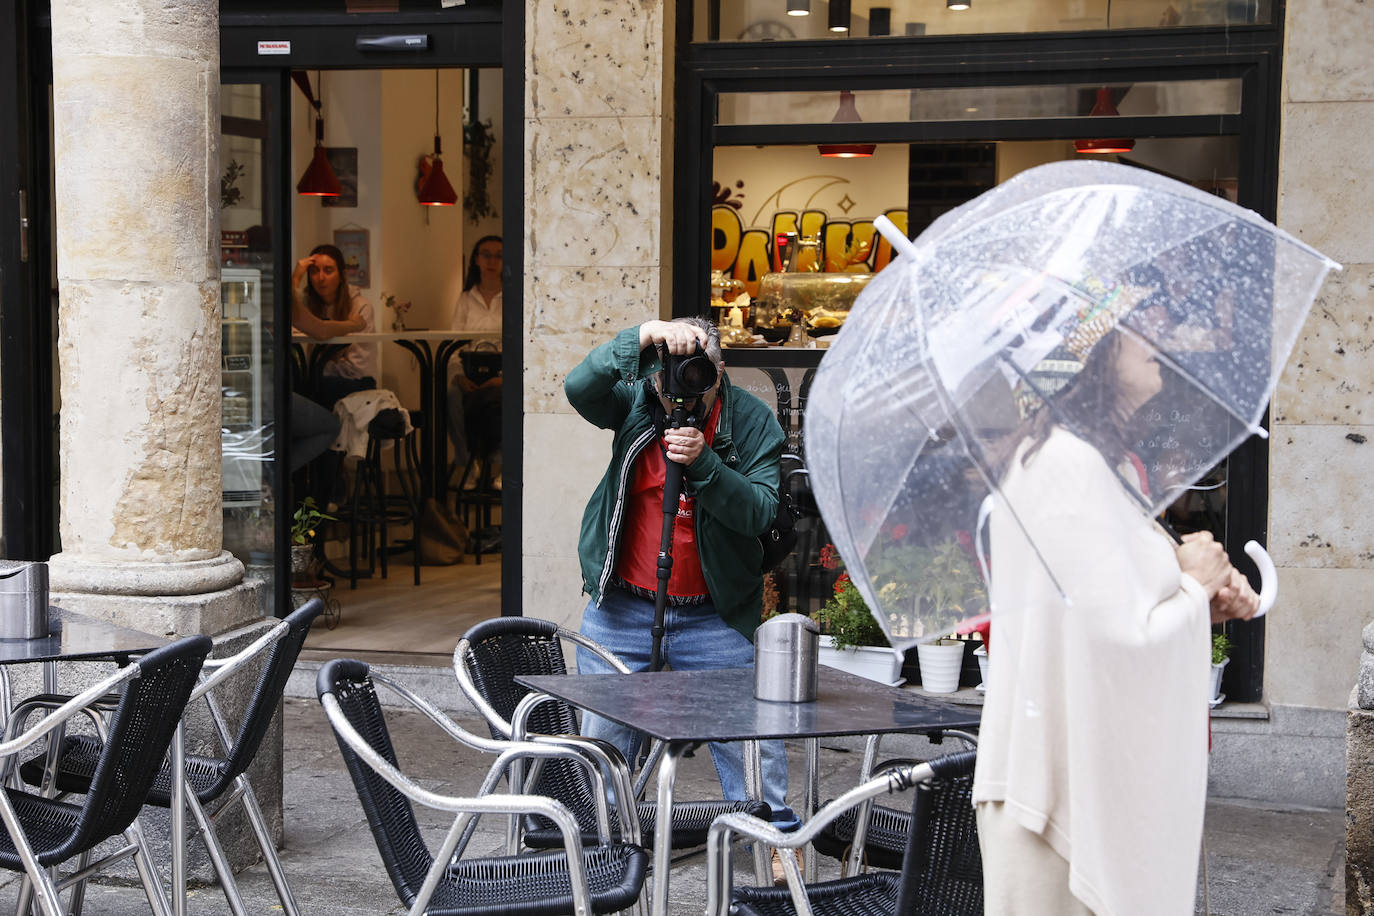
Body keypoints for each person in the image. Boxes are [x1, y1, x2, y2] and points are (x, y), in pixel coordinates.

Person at [973, 327, 1261, 915]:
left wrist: (1196, 599)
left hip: (1078, 788)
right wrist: (1191, 584)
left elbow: (1103, 611)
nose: (1156, 335)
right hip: (1057, 802)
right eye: (1133, 326)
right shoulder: (1066, 464)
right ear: (1091, 354)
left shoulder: (1094, 465)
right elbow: (1112, 637)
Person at [564, 316, 801, 846]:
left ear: (721, 372)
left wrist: (706, 465)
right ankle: (605, 846)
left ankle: (774, 839)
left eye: (699, 371)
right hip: (622, 609)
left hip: (713, 613)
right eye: (671, 370)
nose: (683, 385)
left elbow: (762, 511)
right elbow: (578, 387)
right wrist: (642, 335)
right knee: (604, 743)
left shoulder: (750, 418)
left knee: (749, 737)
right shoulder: (635, 400)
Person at [447, 235, 503, 488]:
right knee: (451, 395)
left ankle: (504, 465)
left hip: (502, 373)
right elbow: (454, 344)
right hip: (470, 372)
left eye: (499, 255)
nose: (492, 261)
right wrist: (459, 376)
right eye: (486, 254)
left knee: (505, 397)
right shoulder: (466, 299)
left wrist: (502, 377)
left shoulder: (514, 298)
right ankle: (468, 463)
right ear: (476, 260)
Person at [292, 243, 377, 406]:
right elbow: (292, 316)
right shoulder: (307, 302)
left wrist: (316, 369)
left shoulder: (360, 306)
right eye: (314, 271)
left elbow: (357, 368)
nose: (321, 278)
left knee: (310, 388)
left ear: (342, 275)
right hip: (319, 381)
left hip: (357, 382)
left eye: (328, 270)